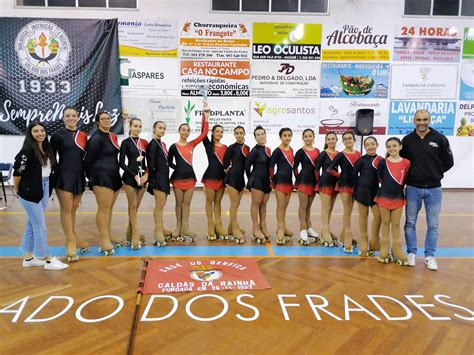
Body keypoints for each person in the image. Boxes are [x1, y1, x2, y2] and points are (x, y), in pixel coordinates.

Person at [401, 109, 454, 271]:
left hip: (434, 189)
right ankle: (411, 253)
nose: (422, 122)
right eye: (419, 120)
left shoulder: (440, 139)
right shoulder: (408, 140)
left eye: (425, 119)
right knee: (410, 223)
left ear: (430, 120)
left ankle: (430, 256)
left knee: (433, 225)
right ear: (413, 121)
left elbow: (448, 162)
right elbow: (401, 161)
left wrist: (434, 173)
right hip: (413, 188)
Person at [13, 122, 68, 270]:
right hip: (30, 192)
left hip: (43, 188)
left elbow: (49, 171)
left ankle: (28, 257)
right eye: (36, 131)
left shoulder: (46, 149)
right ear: (30, 134)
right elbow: (17, 173)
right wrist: (18, 190)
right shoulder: (27, 151)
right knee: (40, 226)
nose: (40, 133)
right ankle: (48, 259)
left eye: (42, 130)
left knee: (32, 223)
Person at [50, 107, 89, 262]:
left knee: (73, 210)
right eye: (68, 116)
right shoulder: (57, 136)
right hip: (63, 176)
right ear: (63, 118)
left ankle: (74, 237)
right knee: (66, 210)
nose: (71, 118)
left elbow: (87, 157)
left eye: (74, 116)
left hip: (79, 175)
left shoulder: (83, 136)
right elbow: (51, 157)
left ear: (78, 118)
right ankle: (70, 241)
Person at [168, 104, 210, 242]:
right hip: (178, 180)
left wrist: (206, 116)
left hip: (191, 179)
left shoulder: (191, 144)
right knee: (178, 203)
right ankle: (177, 227)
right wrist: (178, 168)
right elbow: (169, 162)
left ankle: (185, 227)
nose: (186, 132)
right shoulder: (174, 147)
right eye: (183, 130)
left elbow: (204, 134)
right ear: (179, 131)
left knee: (187, 204)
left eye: (188, 130)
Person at [84, 111, 123, 255]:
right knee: (103, 209)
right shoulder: (96, 138)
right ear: (97, 122)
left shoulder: (111, 136)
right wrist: (92, 178)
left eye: (108, 118)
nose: (106, 120)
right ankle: (103, 238)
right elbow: (88, 160)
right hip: (102, 177)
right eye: (103, 119)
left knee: (110, 208)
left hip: (114, 175)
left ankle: (110, 233)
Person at [374, 137, 411, 266]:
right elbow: (379, 177)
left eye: (394, 146)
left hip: (398, 197)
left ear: (400, 147)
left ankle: (396, 249)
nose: (392, 149)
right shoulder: (383, 162)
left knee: (395, 224)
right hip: (384, 196)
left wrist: (396, 189)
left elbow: (405, 179)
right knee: (385, 223)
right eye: (389, 146)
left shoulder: (406, 163)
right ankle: (384, 247)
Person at [327, 131, 361, 253]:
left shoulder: (358, 154)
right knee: (347, 210)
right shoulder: (341, 155)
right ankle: (347, 236)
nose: (347, 140)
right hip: (344, 185)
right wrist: (340, 175)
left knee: (350, 210)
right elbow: (329, 168)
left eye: (349, 138)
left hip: (355, 185)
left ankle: (343, 235)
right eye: (345, 139)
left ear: (354, 140)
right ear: (343, 141)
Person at [119, 118, 148, 250]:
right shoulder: (125, 142)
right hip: (130, 178)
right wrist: (134, 175)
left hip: (142, 180)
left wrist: (146, 176)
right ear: (130, 126)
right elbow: (122, 163)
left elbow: (148, 163)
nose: (137, 128)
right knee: (133, 205)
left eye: (140, 126)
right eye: (135, 126)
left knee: (136, 207)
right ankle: (135, 234)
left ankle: (128, 232)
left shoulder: (144, 143)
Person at [353, 136, 383, 257]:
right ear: (364, 147)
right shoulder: (361, 160)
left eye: (372, 144)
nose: (370, 147)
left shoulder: (381, 160)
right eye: (368, 145)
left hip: (376, 192)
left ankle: (375, 240)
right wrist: (357, 187)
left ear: (377, 145)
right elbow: (354, 174)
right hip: (362, 191)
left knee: (378, 216)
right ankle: (364, 241)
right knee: (363, 216)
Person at [147, 121, 172, 247]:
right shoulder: (152, 144)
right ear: (154, 129)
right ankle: (157, 231)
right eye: (160, 128)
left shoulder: (162, 144)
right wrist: (152, 182)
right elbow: (151, 165)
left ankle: (161, 228)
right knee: (159, 205)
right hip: (158, 179)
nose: (162, 130)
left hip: (164, 178)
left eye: (164, 128)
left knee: (162, 205)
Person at [223, 126, 250, 244]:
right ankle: (235, 227)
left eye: (241, 133)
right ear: (234, 135)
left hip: (241, 180)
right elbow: (225, 163)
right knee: (234, 204)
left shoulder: (247, 148)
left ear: (244, 134)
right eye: (237, 133)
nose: (239, 135)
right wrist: (229, 171)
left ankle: (230, 228)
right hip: (232, 179)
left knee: (237, 204)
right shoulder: (231, 147)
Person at [294, 129, 320, 245]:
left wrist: (319, 182)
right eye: (306, 136)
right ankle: (302, 229)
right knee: (303, 206)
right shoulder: (300, 151)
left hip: (313, 182)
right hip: (303, 181)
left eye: (310, 136)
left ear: (313, 137)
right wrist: (298, 178)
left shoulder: (318, 151)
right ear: (303, 138)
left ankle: (309, 228)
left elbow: (318, 168)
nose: (308, 138)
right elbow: (295, 167)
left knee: (309, 207)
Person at [246, 125, 272, 244]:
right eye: (258, 135)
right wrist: (251, 178)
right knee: (256, 204)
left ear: (265, 135)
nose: (261, 136)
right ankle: (255, 227)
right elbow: (247, 165)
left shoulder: (268, 150)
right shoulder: (255, 150)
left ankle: (263, 225)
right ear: (255, 137)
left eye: (262, 134)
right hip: (257, 180)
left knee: (264, 204)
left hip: (266, 181)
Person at [202, 124, 228, 241]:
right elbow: (203, 131)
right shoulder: (209, 145)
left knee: (218, 202)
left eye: (221, 132)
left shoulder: (225, 147)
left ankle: (219, 225)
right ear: (212, 133)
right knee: (209, 202)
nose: (219, 133)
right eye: (217, 131)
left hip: (221, 178)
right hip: (210, 177)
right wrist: (205, 116)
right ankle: (210, 225)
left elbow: (228, 163)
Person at [270, 127, 295, 245]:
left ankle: (283, 227)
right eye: (284, 135)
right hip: (279, 182)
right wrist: (273, 179)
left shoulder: (291, 150)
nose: (287, 137)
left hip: (289, 182)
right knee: (280, 206)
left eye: (289, 135)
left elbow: (292, 167)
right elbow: (271, 167)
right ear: (280, 137)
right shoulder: (277, 151)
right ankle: (280, 228)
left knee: (284, 206)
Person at [315, 132, 339, 247]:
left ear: (336, 140)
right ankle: (325, 231)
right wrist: (319, 182)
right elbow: (316, 170)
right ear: (325, 141)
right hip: (324, 183)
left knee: (330, 208)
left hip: (334, 183)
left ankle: (326, 229)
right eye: (328, 139)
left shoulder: (339, 154)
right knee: (326, 208)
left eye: (333, 139)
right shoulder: (323, 154)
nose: (331, 141)